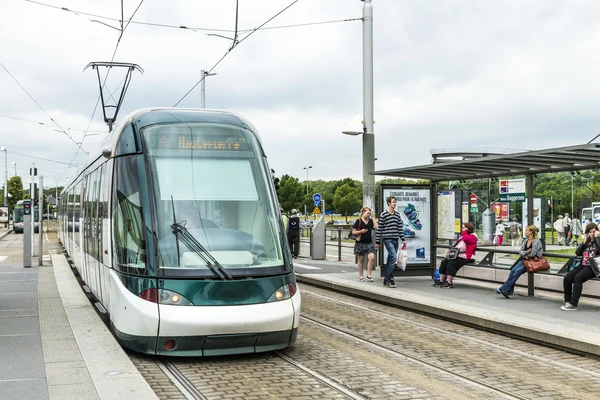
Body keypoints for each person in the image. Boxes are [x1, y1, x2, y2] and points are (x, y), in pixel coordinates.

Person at [496, 224, 543, 298]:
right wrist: (526, 252)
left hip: (532, 262)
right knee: (513, 271)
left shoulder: (537, 242)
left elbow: (533, 253)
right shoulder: (525, 241)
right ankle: (508, 291)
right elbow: (521, 252)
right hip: (525, 261)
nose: (525, 232)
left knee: (517, 272)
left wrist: (526, 253)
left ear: (531, 232)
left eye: (526, 230)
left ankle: (503, 288)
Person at [562, 223, 600, 311]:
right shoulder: (587, 242)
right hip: (583, 264)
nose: (592, 234)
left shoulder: (599, 240)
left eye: (594, 232)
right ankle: (567, 300)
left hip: (592, 267)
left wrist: (598, 238)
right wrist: (583, 242)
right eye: (590, 232)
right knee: (567, 278)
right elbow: (578, 253)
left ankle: (573, 304)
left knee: (577, 278)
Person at [375, 196, 406, 288]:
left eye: (395, 202)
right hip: (387, 238)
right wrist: (377, 241)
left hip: (395, 238)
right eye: (393, 202)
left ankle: (386, 279)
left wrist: (403, 239)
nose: (395, 204)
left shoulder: (397, 215)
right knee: (393, 257)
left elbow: (400, 228)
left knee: (390, 259)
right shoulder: (383, 215)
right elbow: (380, 229)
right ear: (388, 203)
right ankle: (390, 279)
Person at [435, 223, 477, 288]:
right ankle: (441, 281)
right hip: (456, 255)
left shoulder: (473, 237)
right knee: (444, 262)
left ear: (468, 229)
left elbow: (466, 240)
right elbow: (455, 246)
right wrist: (449, 252)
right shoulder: (462, 237)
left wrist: (464, 232)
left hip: (466, 256)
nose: (462, 229)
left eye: (464, 228)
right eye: (462, 228)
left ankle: (448, 282)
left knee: (452, 264)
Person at [352, 206, 378, 282]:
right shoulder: (358, 221)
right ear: (363, 212)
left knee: (371, 257)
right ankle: (361, 276)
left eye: (370, 213)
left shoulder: (370, 221)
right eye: (368, 213)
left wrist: (373, 218)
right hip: (360, 243)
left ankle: (369, 275)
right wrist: (361, 231)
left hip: (369, 242)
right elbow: (353, 232)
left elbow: (376, 227)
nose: (369, 215)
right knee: (361, 260)